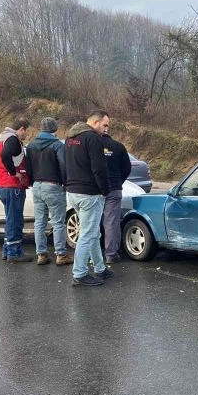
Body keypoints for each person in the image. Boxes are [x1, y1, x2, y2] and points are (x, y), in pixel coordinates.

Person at [65, 111, 113, 286]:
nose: (106, 129)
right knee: (88, 234)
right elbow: (99, 168)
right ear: (94, 122)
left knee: (92, 232)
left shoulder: (70, 138)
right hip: (89, 194)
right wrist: (105, 189)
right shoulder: (93, 139)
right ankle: (80, 273)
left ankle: (100, 268)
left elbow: (65, 164)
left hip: (73, 192)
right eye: (104, 125)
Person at [26, 117, 73, 267]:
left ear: (41, 128)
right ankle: (61, 254)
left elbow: (28, 167)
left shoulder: (31, 145)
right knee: (58, 222)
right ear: (54, 129)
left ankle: (41, 254)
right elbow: (64, 165)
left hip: (37, 186)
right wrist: (66, 182)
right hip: (53, 186)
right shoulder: (57, 145)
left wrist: (32, 181)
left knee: (39, 222)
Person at [0, 117, 32, 262]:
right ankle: (14, 253)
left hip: (2, 185)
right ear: (21, 129)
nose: (26, 136)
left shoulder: (1, 137)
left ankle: (7, 250)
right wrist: (13, 172)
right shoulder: (13, 139)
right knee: (15, 220)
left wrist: (1, 169)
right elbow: (5, 155)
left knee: (10, 219)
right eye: (26, 132)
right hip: (12, 186)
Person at [100, 124, 132, 264]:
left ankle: (93, 253)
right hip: (114, 188)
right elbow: (127, 168)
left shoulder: (92, 146)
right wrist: (119, 180)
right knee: (111, 221)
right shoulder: (118, 146)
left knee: (92, 221)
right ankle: (111, 253)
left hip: (96, 189)